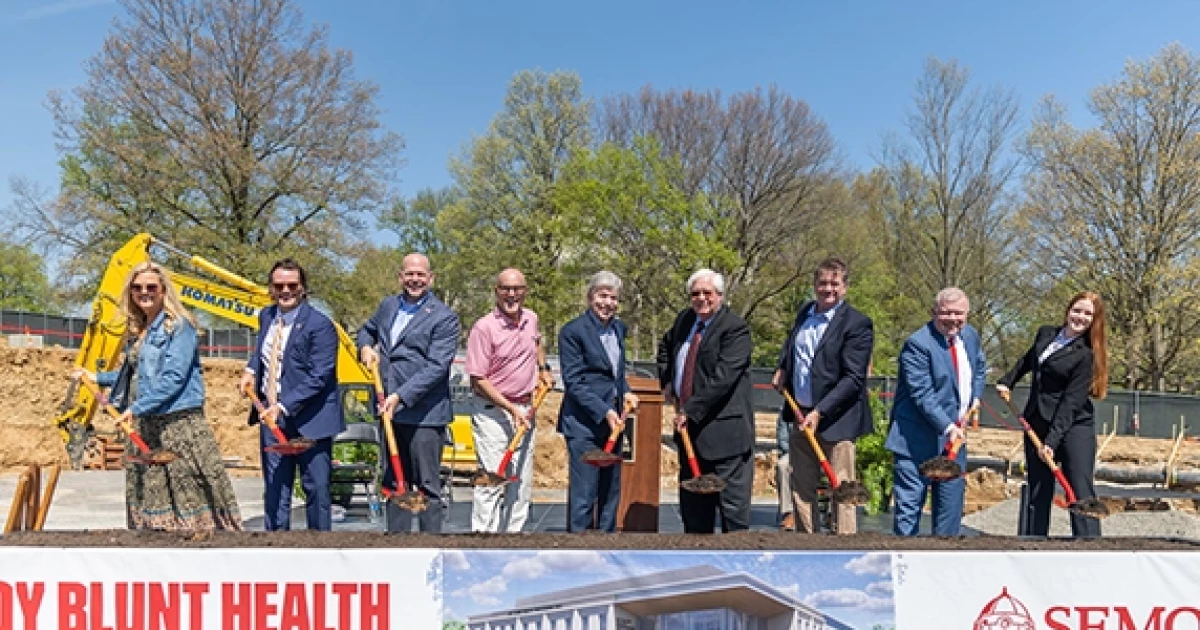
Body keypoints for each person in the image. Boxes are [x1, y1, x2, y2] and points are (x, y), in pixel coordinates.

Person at [76, 261, 242, 531]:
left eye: (151, 287)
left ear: (164, 290)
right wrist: (96, 377)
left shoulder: (179, 327)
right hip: (146, 425)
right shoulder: (139, 329)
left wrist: (136, 408)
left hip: (178, 426)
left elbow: (174, 378)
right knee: (151, 494)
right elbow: (136, 374)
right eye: (137, 287)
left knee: (187, 491)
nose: (144, 292)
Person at [239, 259, 344, 531]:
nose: (285, 291)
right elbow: (262, 353)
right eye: (279, 286)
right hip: (272, 418)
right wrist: (251, 370)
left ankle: (319, 547)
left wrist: (283, 406)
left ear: (303, 288)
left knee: (316, 488)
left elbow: (320, 375)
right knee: (275, 489)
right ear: (271, 288)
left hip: (312, 420)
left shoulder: (320, 325)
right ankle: (276, 546)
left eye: (292, 285)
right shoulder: (266, 316)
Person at [358, 253, 460, 533]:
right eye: (410, 274)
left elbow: (437, 366)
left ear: (431, 278)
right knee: (394, 482)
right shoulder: (388, 306)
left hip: (424, 414)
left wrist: (400, 396)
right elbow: (367, 330)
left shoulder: (444, 317)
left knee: (427, 484)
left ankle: (429, 544)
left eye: (421, 274)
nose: (415, 279)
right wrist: (365, 346)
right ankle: (397, 542)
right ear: (400, 277)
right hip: (388, 410)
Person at [772, 257, 874, 534]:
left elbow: (854, 378)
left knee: (841, 489)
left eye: (834, 283)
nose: (828, 289)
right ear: (815, 285)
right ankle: (807, 542)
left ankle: (843, 545)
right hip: (800, 414)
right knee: (801, 486)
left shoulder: (857, 324)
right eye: (823, 283)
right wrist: (782, 368)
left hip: (837, 420)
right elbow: (792, 347)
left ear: (845, 287)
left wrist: (820, 411)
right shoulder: (805, 313)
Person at [996, 291, 1108, 537]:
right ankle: (1033, 541)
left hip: (1073, 427)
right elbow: (1028, 360)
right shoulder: (1046, 334)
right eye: (1077, 310)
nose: (1080, 317)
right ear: (1068, 310)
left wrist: (1051, 442)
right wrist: (1008, 381)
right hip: (1037, 419)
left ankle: (1089, 545)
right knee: (1037, 486)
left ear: (1094, 319)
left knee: (1078, 488)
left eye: (1087, 314)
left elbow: (1071, 402)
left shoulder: (1085, 355)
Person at [656, 269, 755, 534]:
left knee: (733, 518)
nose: (701, 298)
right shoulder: (685, 320)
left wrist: (689, 410)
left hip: (726, 438)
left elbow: (723, 378)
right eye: (695, 294)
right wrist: (667, 380)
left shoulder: (735, 329)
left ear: (720, 295)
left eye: (707, 293)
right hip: (690, 437)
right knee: (694, 517)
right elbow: (665, 347)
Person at [886, 287, 985, 536]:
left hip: (954, 443)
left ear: (967, 314)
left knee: (949, 515)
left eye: (958, 313)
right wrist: (948, 426)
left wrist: (975, 397)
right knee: (909, 514)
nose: (953, 319)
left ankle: (944, 557)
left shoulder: (970, 336)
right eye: (946, 313)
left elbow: (980, 367)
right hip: (915, 441)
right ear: (933, 313)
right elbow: (922, 395)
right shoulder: (917, 344)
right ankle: (906, 556)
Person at [466, 268, 554, 533]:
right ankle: (483, 540)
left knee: (520, 482)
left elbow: (537, 343)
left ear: (525, 291)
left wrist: (543, 369)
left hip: (526, 409)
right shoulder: (484, 328)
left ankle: (513, 540)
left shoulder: (531, 319)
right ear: (497, 292)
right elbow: (478, 379)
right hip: (492, 412)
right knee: (492, 480)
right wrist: (511, 409)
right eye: (505, 289)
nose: (511, 294)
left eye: (517, 289)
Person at [558, 271, 637, 532]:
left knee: (610, 494)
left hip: (613, 426)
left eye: (613, 298)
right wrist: (604, 411)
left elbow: (616, 373)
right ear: (590, 297)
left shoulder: (619, 329)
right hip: (583, 425)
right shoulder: (572, 331)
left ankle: (606, 544)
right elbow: (574, 382)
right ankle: (579, 549)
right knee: (584, 495)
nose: (608, 303)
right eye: (602, 296)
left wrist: (626, 391)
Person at [775, 416, 794, 530]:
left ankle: (833, 513)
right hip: (794, 452)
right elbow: (783, 440)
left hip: (820, 454)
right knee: (783, 465)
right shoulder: (786, 411)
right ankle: (788, 512)